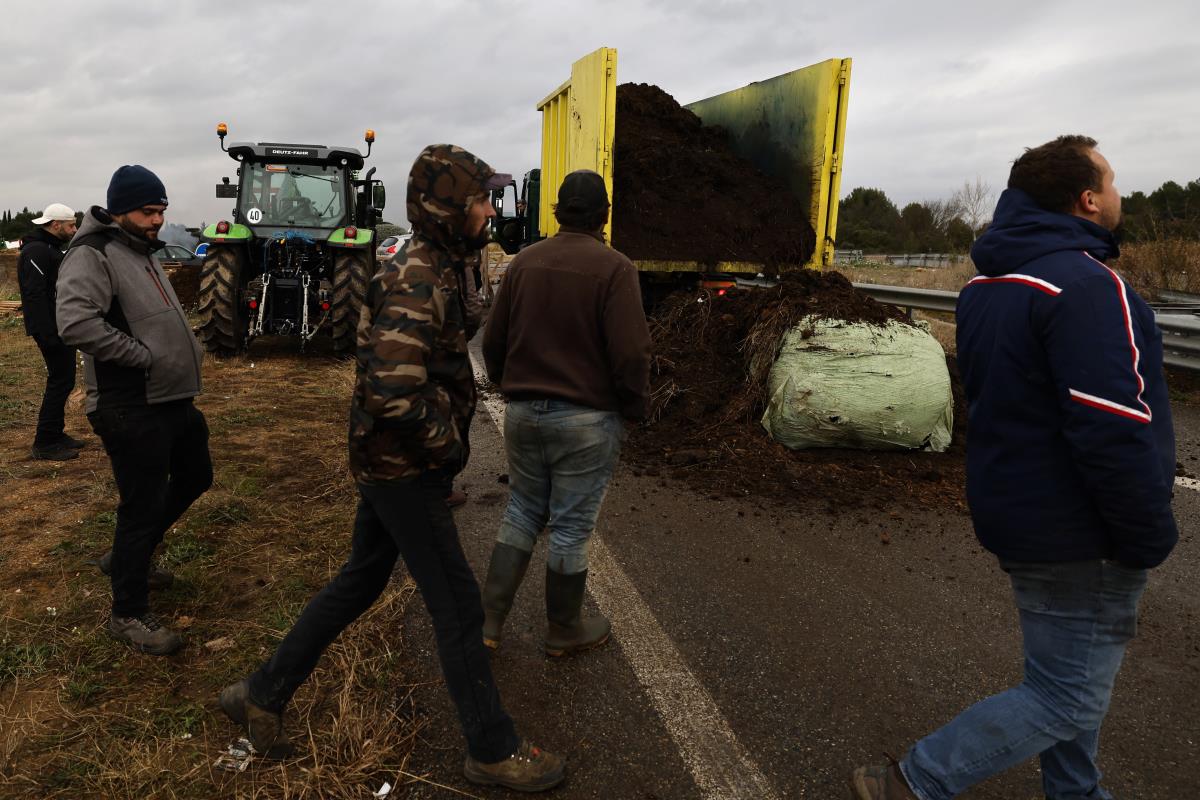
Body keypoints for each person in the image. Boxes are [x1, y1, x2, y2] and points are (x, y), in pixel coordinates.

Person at [218, 144, 565, 793]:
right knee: (459, 608)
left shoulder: (437, 263)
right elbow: (389, 389)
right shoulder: (416, 276)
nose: (490, 208)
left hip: (389, 463)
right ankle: (491, 749)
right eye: (481, 198)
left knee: (359, 581)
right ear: (450, 208)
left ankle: (262, 692)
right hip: (403, 468)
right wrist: (445, 447)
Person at [850, 136, 1178, 799]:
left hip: (1020, 514)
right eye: (1110, 181)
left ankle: (1075, 792)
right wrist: (1146, 532)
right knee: (1066, 698)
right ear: (1087, 199)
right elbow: (1111, 428)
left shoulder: (987, 288)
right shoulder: (1087, 287)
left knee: (1066, 673)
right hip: (1081, 532)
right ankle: (912, 781)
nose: (1118, 192)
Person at [480, 169, 651, 657]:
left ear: (555, 212)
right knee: (571, 526)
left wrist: (509, 386)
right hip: (586, 421)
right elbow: (631, 353)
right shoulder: (616, 269)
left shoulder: (525, 263)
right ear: (605, 215)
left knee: (522, 509)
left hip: (524, 412)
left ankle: (488, 623)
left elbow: (494, 340)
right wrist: (632, 406)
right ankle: (563, 629)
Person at [56, 166, 211, 657]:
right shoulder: (93, 253)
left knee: (196, 475)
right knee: (141, 507)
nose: (157, 220)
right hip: (130, 404)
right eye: (149, 211)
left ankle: (131, 557)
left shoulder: (137, 251)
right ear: (119, 209)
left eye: (162, 211)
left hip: (169, 398)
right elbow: (76, 322)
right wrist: (143, 357)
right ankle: (127, 611)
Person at [17, 203, 83, 460]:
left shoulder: (49, 248)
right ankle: (45, 442)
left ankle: (55, 433)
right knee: (60, 381)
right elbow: (35, 295)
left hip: (59, 326)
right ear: (55, 225)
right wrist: (47, 333)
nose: (74, 229)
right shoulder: (36, 251)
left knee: (63, 379)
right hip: (49, 329)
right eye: (71, 225)